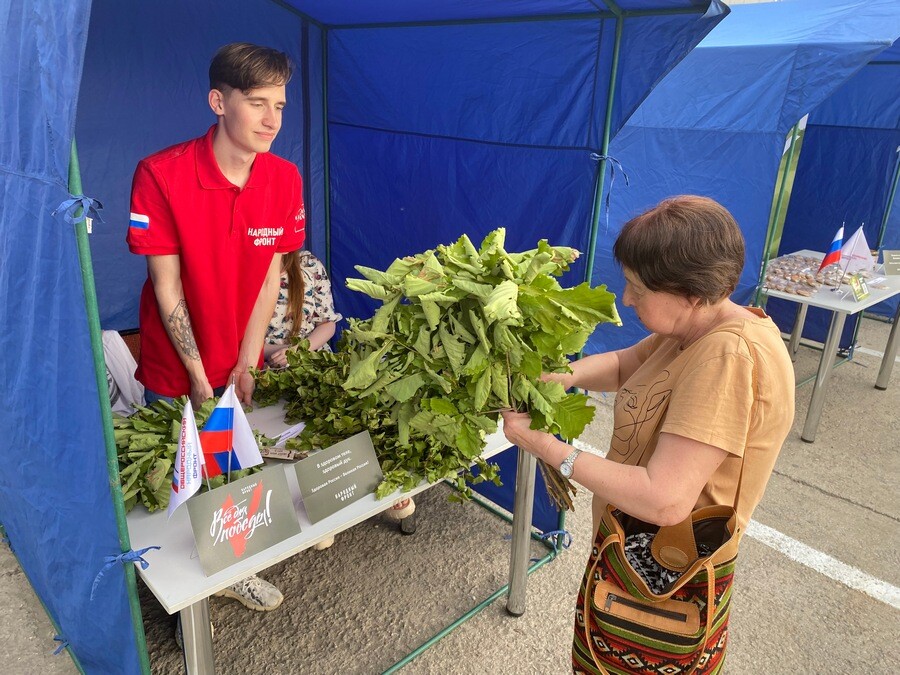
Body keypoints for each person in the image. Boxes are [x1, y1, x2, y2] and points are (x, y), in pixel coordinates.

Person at [500, 196, 795, 673]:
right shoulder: (693, 328)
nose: (627, 299)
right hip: (629, 551)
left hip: (662, 578)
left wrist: (549, 449)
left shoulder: (726, 359)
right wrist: (560, 376)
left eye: (638, 288)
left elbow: (665, 500)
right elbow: (624, 364)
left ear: (692, 293)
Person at [127, 42, 305, 613]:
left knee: (227, 467)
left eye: (279, 104)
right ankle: (181, 601)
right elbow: (167, 288)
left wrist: (245, 364)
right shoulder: (161, 173)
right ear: (218, 101)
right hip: (174, 366)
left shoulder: (284, 178)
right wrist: (200, 378)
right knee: (175, 481)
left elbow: (268, 281)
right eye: (257, 103)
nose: (272, 120)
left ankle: (227, 566)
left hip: (235, 362)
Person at [262, 250, 415, 547]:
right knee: (289, 446)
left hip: (319, 368)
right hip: (265, 377)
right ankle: (321, 512)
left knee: (345, 427)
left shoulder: (307, 264)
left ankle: (387, 487)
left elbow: (328, 324)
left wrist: (300, 351)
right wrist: (273, 356)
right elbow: (239, 338)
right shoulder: (241, 268)